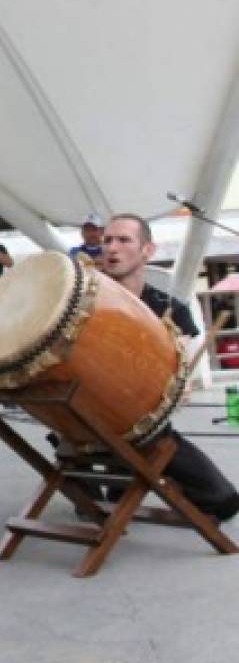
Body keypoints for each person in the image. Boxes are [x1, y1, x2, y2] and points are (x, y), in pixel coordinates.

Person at [97, 213, 239, 520]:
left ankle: (118, 478)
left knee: (225, 502)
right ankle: (114, 478)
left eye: (123, 240)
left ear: (148, 250)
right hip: (91, 422)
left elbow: (180, 371)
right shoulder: (87, 305)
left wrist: (182, 383)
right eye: (107, 240)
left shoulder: (171, 310)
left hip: (146, 427)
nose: (111, 248)